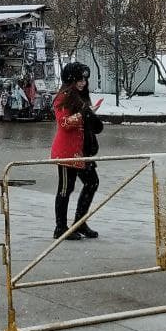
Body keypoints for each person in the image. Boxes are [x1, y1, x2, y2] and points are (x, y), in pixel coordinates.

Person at [50, 62, 104, 240]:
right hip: (66, 151)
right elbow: (64, 123)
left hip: (82, 151)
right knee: (66, 188)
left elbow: (88, 122)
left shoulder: (81, 96)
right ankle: (61, 228)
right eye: (79, 79)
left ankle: (79, 222)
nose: (83, 82)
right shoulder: (63, 97)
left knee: (92, 182)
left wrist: (90, 115)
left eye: (85, 79)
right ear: (70, 80)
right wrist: (84, 113)